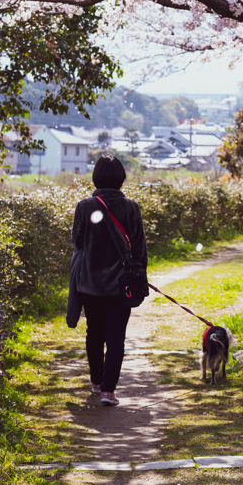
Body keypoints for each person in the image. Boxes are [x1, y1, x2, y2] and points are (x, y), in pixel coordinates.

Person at [66, 154, 148, 406]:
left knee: (94, 332)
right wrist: (138, 277)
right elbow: (140, 249)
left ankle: (96, 381)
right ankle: (108, 391)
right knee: (116, 337)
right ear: (121, 179)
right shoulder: (132, 208)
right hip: (121, 285)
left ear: (96, 177)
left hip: (89, 282)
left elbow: (77, 242)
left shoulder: (85, 206)